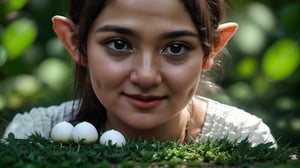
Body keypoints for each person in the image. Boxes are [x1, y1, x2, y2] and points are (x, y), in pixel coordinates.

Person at [3, 0, 277, 147]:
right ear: (75, 43)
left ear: (212, 49)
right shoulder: (30, 133)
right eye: (119, 45)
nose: (146, 76)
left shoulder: (246, 138)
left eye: (176, 47)